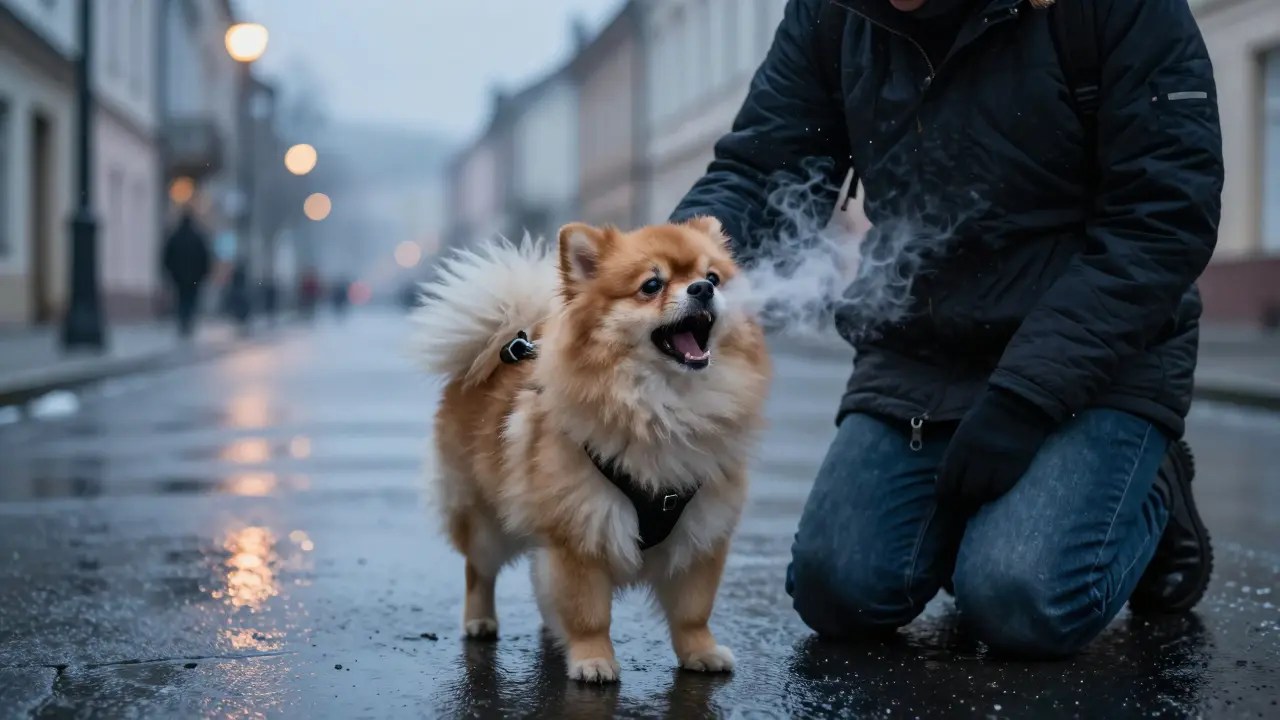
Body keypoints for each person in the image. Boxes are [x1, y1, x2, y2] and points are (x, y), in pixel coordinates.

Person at [671, 0, 1222, 658]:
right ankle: (1000, 517)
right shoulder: (833, 13)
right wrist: (664, 272)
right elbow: (764, 168)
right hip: (923, 353)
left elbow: (1163, 217)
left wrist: (1029, 394)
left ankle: (1152, 490)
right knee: (838, 590)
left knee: (1018, 601)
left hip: (1094, 359)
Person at [161, 210, 213, 339]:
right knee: (191, 300)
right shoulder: (198, 238)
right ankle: (188, 322)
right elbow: (205, 258)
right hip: (195, 278)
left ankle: (183, 321)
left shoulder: (175, 237)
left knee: (181, 299)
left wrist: (170, 273)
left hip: (178, 277)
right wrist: (203, 275)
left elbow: (167, 257)